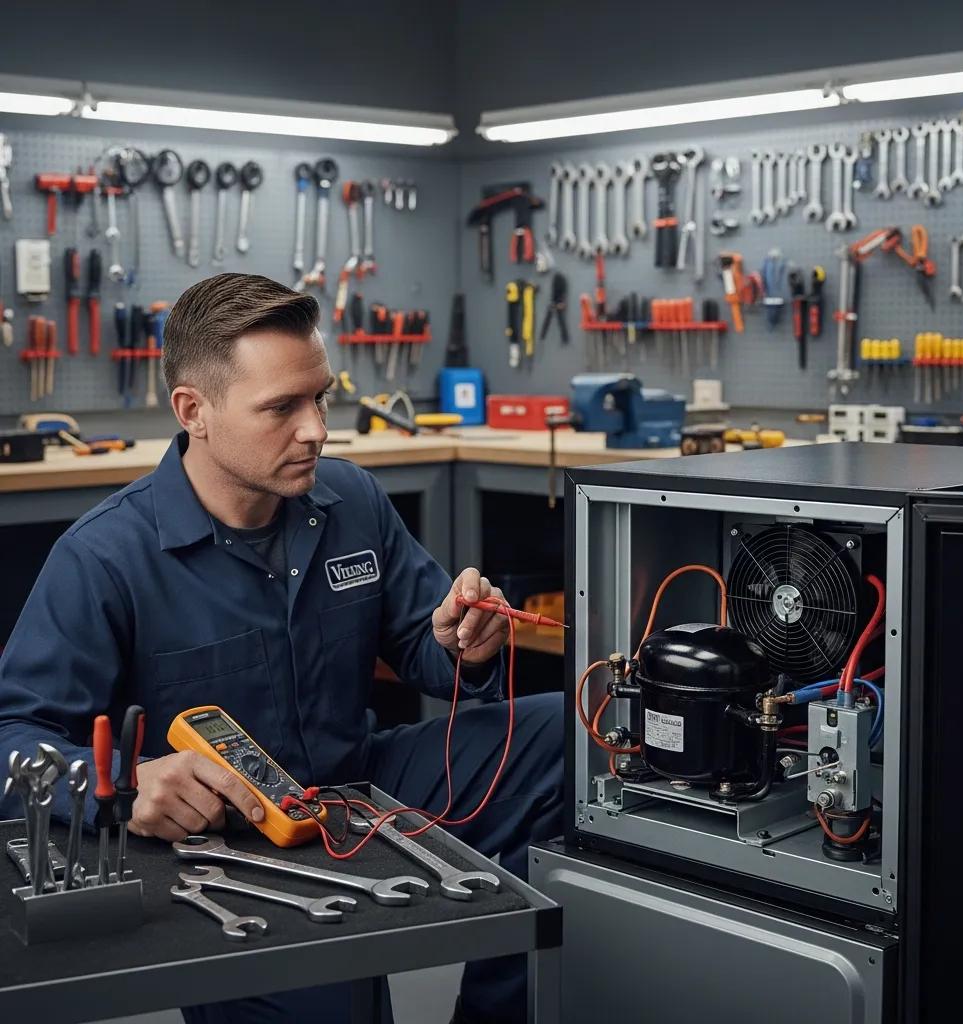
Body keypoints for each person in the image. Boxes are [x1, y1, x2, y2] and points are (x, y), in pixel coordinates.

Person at [0, 273, 563, 1023]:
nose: (317, 430)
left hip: (364, 788)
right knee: (336, 999)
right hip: (228, 849)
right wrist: (130, 785)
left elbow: (428, 651)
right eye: (281, 408)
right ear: (193, 411)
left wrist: (467, 644)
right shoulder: (104, 559)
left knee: (565, 741)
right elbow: (12, 737)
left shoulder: (351, 500)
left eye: (320, 397)